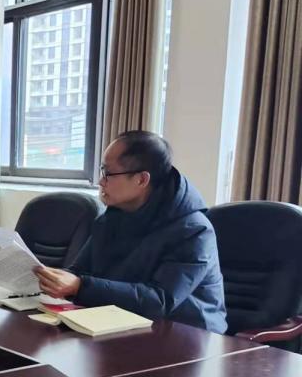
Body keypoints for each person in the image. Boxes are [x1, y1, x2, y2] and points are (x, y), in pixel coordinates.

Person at [35, 131, 227, 333]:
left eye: (108, 173)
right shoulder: (111, 218)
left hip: (188, 335)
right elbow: (79, 271)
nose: (101, 181)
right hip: (123, 324)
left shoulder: (193, 231)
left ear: (142, 180)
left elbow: (159, 300)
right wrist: (50, 278)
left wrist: (79, 286)